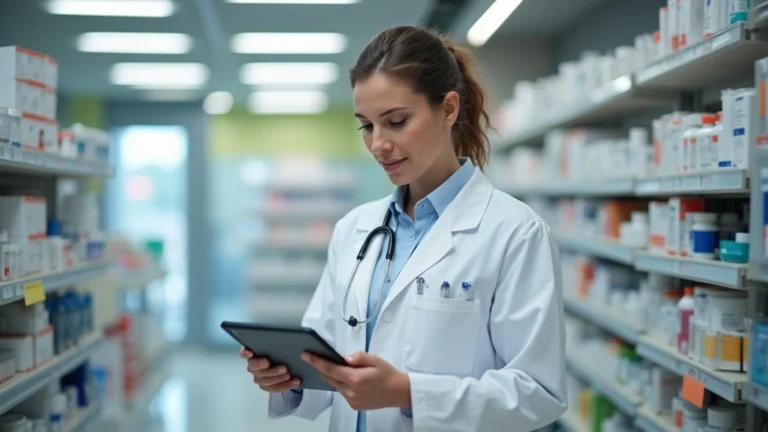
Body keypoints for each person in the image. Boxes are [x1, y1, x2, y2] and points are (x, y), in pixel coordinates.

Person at [241, 26, 567, 432]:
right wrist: (288, 381)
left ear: (448, 109)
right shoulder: (355, 229)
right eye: (367, 126)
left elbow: (537, 392)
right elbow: (327, 356)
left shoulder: (515, 233)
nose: (378, 144)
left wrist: (408, 393)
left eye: (396, 121)